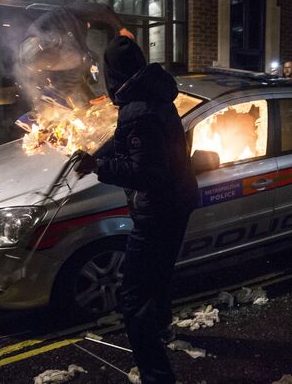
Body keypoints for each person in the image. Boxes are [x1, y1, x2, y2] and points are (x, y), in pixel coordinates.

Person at [76, 36, 198, 383]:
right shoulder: (154, 93)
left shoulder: (136, 110)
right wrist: (100, 152)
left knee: (132, 298)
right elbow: (135, 144)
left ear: (113, 73)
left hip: (157, 210)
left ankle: (156, 375)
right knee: (158, 276)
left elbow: (147, 173)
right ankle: (161, 329)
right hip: (179, 200)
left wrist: (97, 167)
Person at [18, 2, 134, 109]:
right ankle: (58, 96)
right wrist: (121, 28)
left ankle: (57, 97)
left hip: (28, 53)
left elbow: (77, 72)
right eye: (89, 25)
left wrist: (91, 97)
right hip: (39, 45)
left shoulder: (68, 30)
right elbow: (103, 9)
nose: (88, 27)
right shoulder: (72, 12)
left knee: (75, 65)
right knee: (84, 59)